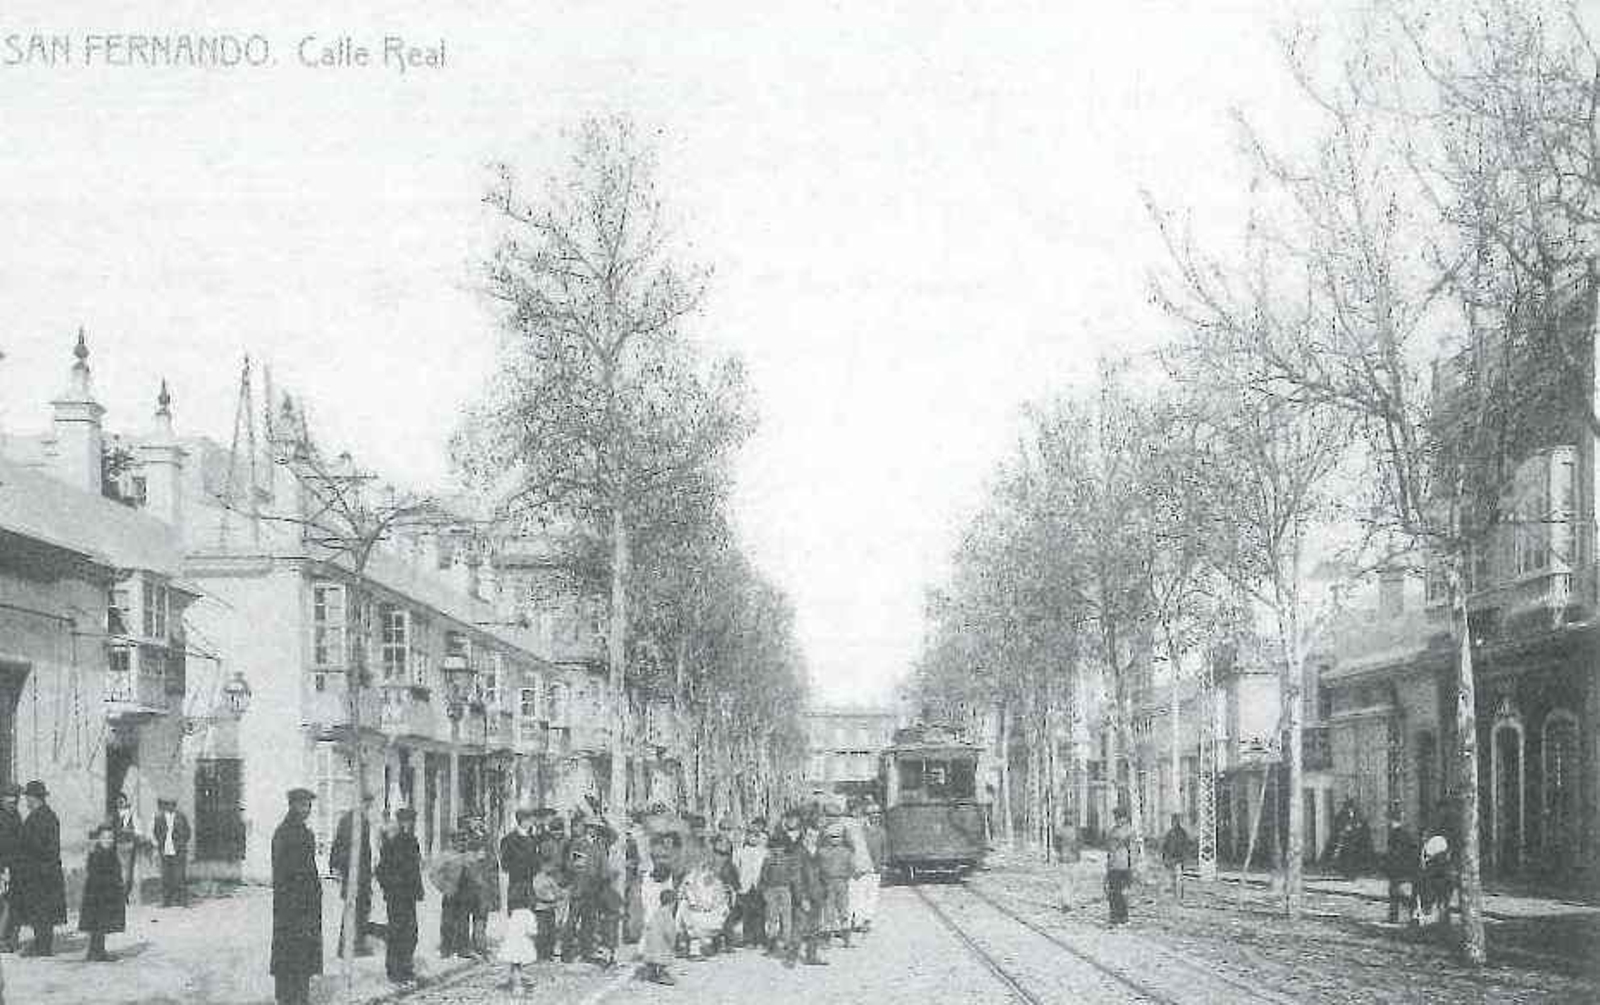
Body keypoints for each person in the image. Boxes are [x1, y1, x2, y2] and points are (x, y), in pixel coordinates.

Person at [270, 788, 322, 1005]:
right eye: (302, 805)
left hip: (303, 905)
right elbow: (283, 871)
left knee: (301, 953)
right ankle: (289, 998)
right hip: (291, 905)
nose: (306, 810)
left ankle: (299, 996)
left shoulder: (304, 832)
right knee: (291, 952)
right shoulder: (284, 834)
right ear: (292, 805)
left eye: (308, 805)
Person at [15, 780, 65, 957]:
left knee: (41, 910)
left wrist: (25, 846)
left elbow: (44, 846)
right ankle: (42, 945)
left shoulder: (42, 818)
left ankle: (43, 947)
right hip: (42, 871)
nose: (26, 801)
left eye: (27, 797)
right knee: (40, 910)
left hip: (41, 872)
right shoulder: (44, 815)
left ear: (34, 798)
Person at [376, 807, 423, 984]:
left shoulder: (412, 841)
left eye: (410, 822)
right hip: (397, 896)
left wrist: (418, 890)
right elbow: (381, 870)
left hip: (408, 895)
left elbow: (415, 869)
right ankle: (395, 972)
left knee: (410, 933)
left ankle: (406, 969)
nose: (408, 825)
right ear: (399, 822)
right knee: (397, 933)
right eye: (404, 821)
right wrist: (390, 889)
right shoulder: (391, 843)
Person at [329, 793, 375, 957]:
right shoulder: (353, 821)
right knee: (354, 908)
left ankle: (355, 944)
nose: (368, 808)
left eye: (369, 805)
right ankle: (348, 947)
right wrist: (339, 867)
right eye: (367, 804)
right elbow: (341, 846)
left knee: (359, 908)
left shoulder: (357, 820)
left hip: (359, 872)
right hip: (355, 872)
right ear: (360, 802)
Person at [78, 823, 125, 962]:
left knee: (102, 925)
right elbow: (95, 875)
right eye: (105, 837)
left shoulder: (111, 854)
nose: (108, 840)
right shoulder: (96, 854)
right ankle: (95, 952)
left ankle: (99, 950)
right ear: (99, 839)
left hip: (108, 895)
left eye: (111, 837)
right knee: (97, 925)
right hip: (98, 896)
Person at [759, 822, 799, 967]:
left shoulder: (789, 860)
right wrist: (763, 890)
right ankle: (772, 943)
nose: (778, 850)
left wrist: (794, 889)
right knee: (771, 917)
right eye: (775, 847)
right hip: (771, 889)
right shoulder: (768, 860)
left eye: (780, 847)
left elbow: (794, 875)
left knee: (786, 917)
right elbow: (763, 876)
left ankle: (786, 942)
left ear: (785, 848)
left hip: (785, 889)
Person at [429, 831, 473, 959]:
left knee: (464, 921)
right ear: (453, 842)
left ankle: (463, 948)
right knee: (448, 921)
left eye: (464, 841)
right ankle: (446, 948)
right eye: (459, 841)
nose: (462, 844)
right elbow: (433, 874)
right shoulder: (446, 856)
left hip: (465, 892)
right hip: (451, 893)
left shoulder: (467, 856)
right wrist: (444, 887)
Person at [816, 822, 855, 948]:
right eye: (832, 837)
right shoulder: (821, 852)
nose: (835, 840)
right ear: (826, 838)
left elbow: (852, 868)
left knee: (843, 910)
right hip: (827, 884)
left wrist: (846, 877)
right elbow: (818, 868)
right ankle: (827, 940)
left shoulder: (847, 852)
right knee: (828, 912)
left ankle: (847, 939)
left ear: (843, 838)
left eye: (838, 837)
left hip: (842, 883)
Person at [732, 819, 768, 948]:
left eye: (756, 836)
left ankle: (760, 939)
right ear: (746, 837)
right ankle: (748, 939)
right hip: (745, 885)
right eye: (750, 835)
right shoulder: (741, 852)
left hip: (758, 885)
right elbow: (736, 867)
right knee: (747, 912)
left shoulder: (763, 851)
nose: (753, 838)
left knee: (760, 912)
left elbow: (765, 867)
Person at [151, 797, 190, 908]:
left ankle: (182, 901)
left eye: (172, 804)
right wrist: (161, 844)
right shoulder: (159, 818)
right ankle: (166, 901)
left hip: (179, 850)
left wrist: (181, 843)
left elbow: (187, 832)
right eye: (167, 805)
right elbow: (156, 832)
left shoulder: (181, 817)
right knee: (166, 876)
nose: (169, 807)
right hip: (165, 850)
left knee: (180, 876)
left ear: (175, 805)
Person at [853, 807, 886, 933]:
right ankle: (859, 920)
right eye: (872, 814)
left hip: (875, 868)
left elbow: (885, 849)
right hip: (862, 868)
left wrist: (883, 864)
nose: (875, 817)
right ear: (867, 816)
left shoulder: (882, 832)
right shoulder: (861, 832)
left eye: (877, 814)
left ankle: (868, 920)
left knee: (872, 895)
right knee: (860, 894)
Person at [636, 888, 677, 986]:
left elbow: (648, 927)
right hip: (660, 946)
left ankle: (652, 972)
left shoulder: (656, 912)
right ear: (672, 903)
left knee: (654, 956)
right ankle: (661, 974)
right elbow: (669, 931)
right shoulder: (667, 914)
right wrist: (672, 943)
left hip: (650, 945)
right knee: (665, 954)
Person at [0, 783, 22, 952]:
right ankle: (1, 940)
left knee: (13, 903)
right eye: (9, 800)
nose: (13, 803)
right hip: (4, 868)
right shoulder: (2, 818)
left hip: (15, 866)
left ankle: (10, 939)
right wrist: (4, 870)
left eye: (15, 800)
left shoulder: (16, 816)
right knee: (6, 903)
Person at [531, 857, 566, 963]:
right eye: (549, 865)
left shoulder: (551, 878)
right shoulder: (538, 878)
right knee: (543, 932)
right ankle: (541, 954)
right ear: (543, 866)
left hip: (551, 909)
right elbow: (540, 893)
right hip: (541, 909)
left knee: (551, 932)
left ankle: (549, 953)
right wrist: (553, 897)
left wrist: (561, 894)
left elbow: (557, 891)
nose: (551, 868)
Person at [111, 793, 143, 906]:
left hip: (129, 845)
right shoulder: (114, 816)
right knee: (118, 871)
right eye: (118, 801)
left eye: (122, 801)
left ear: (125, 801)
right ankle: (119, 895)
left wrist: (130, 832)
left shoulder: (132, 815)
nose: (120, 803)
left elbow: (138, 831)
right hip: (117, 846)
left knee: (127, 872)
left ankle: (125, 895)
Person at [1105, 805, 1135, 928]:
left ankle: (1123, 917)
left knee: (1121, 892)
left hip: (1123, 865)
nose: (1117, 819)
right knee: (1113, 892)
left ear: (1124, 818)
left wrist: (1133, 866)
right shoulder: (1114, 830)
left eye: (1118, 817)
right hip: (1114, 864)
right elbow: (1109, 848)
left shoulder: (1128, 830)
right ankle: (1115, 917)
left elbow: (1133, 849)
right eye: (1116, 817)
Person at [1160, 814, 1190, 903]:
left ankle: (1180, 897)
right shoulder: (1169, 834)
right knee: (1172, 878)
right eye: (1173, 821)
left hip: (1179, 859)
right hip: (1170, 859)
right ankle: (1174, 896)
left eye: (1175, 821)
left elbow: (1186, 846)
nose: (1174, 823)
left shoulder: (1183, 834)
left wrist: (1183, 857)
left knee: (1179, 878)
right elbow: (1164, 846)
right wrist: (1164, 858)